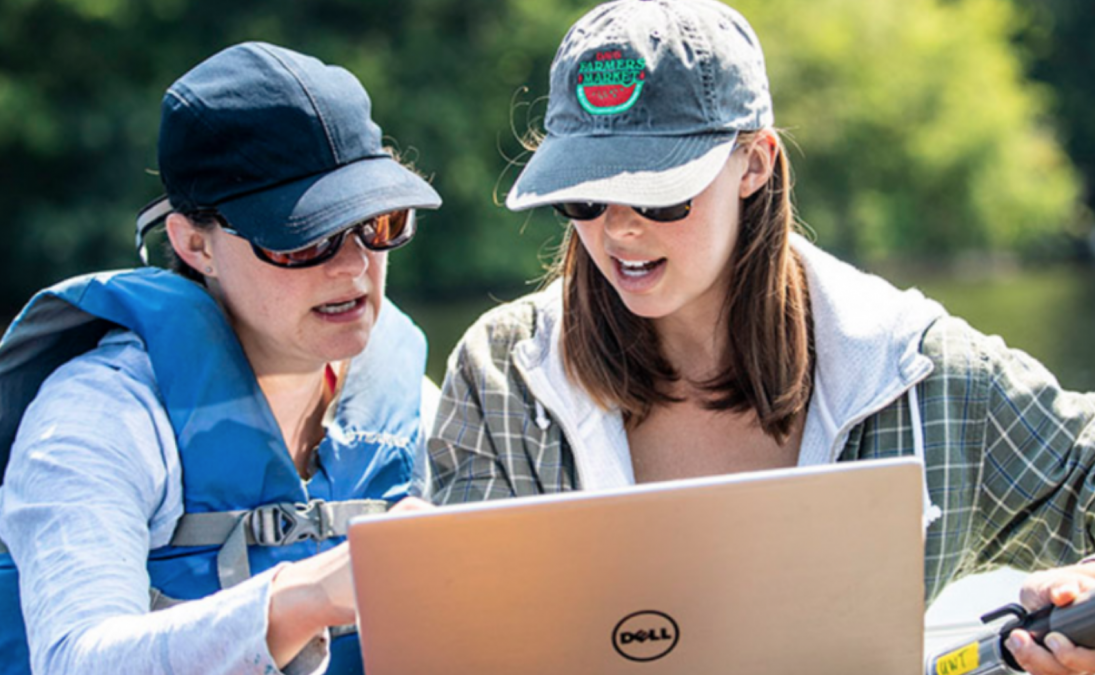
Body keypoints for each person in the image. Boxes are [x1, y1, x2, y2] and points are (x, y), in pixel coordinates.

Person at [427, 1, 1095, 673]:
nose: (619, 229)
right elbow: (453, 644)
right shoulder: (502, 378)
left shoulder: (923, 372)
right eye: (584, 198)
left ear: (755, 162)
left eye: (660, 194)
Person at [0, 41, 440, 675]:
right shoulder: (96, 418)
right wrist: (309, 598)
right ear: (194, 244)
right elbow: (75, 659)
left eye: (379, 223)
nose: (353, 267)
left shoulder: (417, 408)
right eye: (302, 240)